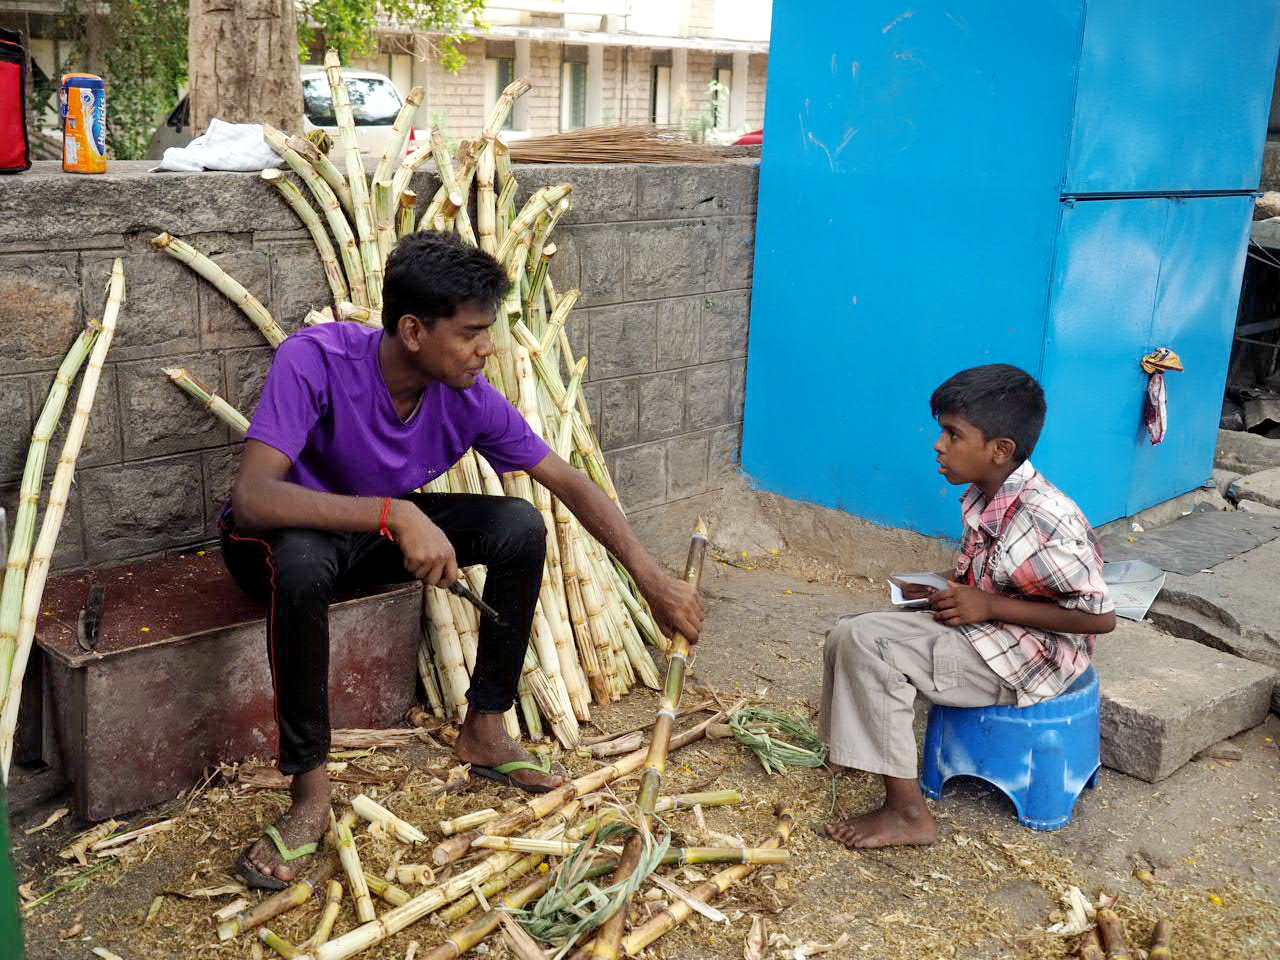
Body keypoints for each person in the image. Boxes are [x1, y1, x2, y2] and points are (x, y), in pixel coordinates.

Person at [222, 231, 704, 889]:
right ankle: (310, 791)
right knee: (304, 566)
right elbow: (253, 500)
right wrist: (396, 515)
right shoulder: (316, 359)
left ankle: (484, 727)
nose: (487, 349)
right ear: (413, 331)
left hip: (370, 535)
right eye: (472, 333)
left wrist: (651, 578)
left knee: (518, 526)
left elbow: (567, 480)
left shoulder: (465, 396)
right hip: (278, 540)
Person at [821, 364, 1115, 849]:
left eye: (953, 434)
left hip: (1030, 660)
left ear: (1000, 449)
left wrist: (989, 606)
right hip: (998, 633)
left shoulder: (1045, 518)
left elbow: (1100, 618)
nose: (939, 445)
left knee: (868, 643)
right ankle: (857, 751)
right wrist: (944, 586)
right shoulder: (987, 495)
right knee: (848, 629)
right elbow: (997, 576)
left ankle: (908, 814)